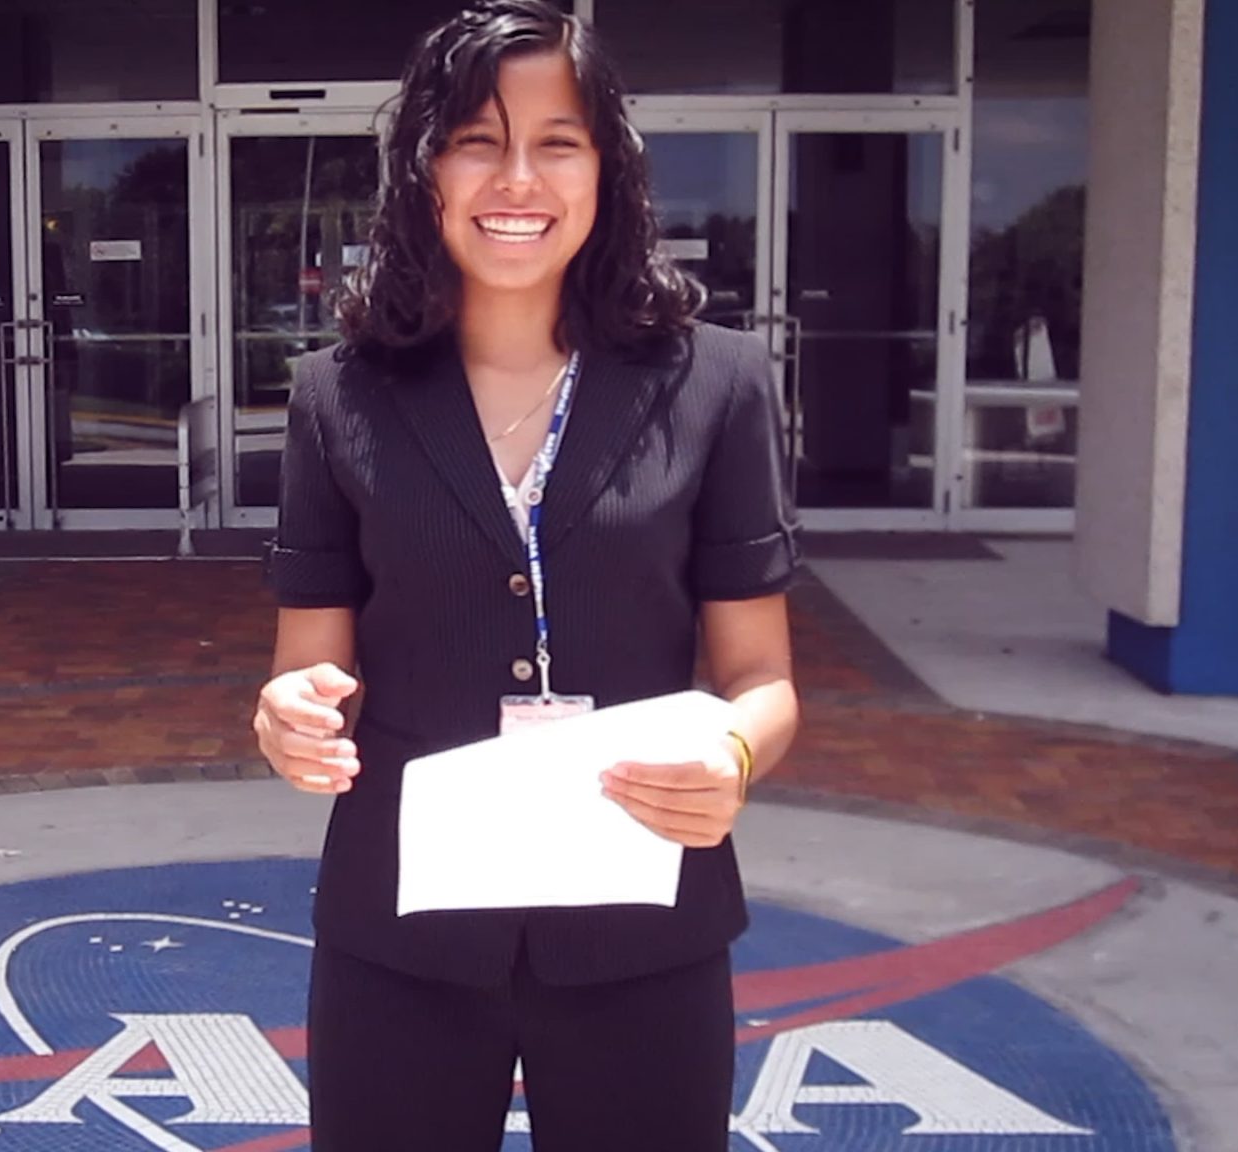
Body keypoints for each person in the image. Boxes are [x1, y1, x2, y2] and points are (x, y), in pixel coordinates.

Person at [251, 2, 801, 1148]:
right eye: (474, 139)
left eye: (556, 140)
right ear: (426, 170)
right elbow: (310, 663)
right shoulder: (333, 396)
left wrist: (734, 752)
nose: (517, 177)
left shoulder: (719, 385)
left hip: (640, 916)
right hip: (402, 925)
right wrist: (289, 717)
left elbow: (761, 678)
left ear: (605, 167)